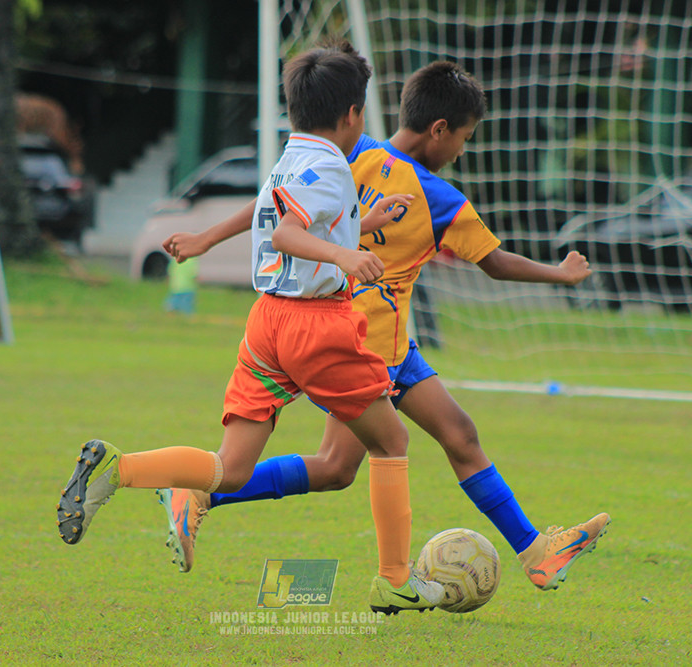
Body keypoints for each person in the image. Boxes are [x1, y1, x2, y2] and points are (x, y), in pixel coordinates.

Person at [160, 61, 610, 593]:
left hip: (386, 339)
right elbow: (494, 262)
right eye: (464, 138)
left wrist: (207, 239)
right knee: (356, 461)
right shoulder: (438, 198)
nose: (462, 151)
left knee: (439, 440)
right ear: (440, 130)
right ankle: (215, 496)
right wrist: (560, 274)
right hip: (360, 342)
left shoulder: (350, 148)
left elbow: (271, 205)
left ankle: (537, 555)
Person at [56, 40, 446, 615]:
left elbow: (276, 219)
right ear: (353, 116)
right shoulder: (334, 164)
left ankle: (120, 468)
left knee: (230, 470)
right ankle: (394, 578)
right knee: (391, 441)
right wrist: (345, 258)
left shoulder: (292, 155)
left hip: (267, 322)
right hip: (317, 326)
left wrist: (359, 224)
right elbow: (290, 233)